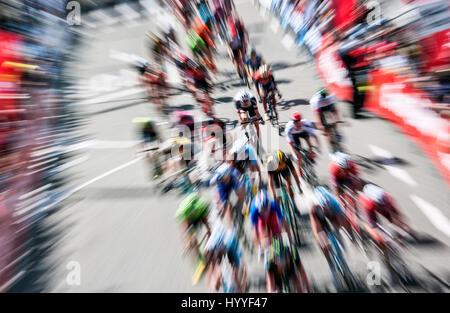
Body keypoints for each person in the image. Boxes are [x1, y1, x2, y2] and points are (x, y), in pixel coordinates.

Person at [309, 186, 356, 285]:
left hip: (333, 214)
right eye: (324, 207)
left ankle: (341, 250)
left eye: (327, 207)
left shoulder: (333, 202)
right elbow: (317, 230)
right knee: (322, 241)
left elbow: (345, 222)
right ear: (320, 205)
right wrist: (323, 241)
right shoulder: (314, 207)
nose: (326, 209)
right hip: (319, 218)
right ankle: (331, 266)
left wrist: (351, 237)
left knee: (338, 225)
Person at [285, 112, 318, 178]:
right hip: (294, 136)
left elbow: (314, 136)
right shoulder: (289, 128)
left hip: (303, 132)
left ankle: (311, 155)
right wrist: (294, 155)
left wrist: (318, 146)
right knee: (298, 155)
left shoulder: (305, 123)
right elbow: (290, 145)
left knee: (309, 143)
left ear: (300, 120)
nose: (296, 123)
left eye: (298, 121)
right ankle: (299, 169)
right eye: (295, 121)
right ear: (293, 122)